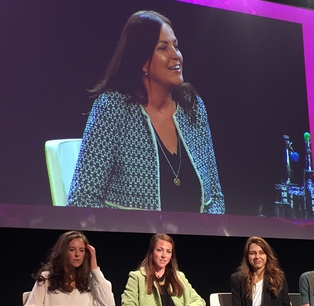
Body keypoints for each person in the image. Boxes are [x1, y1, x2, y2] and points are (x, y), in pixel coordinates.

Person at [66, 10, 224, 214]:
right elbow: (82, 199)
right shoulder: (113, 108)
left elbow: (215, 198)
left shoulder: (192, 107)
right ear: (142, 61)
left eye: (176, 46)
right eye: (163, 48)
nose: (176, 55)